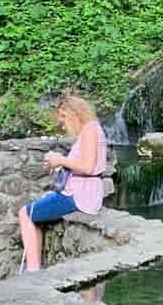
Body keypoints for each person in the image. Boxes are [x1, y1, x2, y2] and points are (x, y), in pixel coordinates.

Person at [18, 93, 108, 272]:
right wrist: (59, 163)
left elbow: (88, 167)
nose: (61, 122)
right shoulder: (91, 129)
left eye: (63, 116)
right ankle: (34, 265)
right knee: (36, 210)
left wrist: (60, 160)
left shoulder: (90, 130)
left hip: (80, 195)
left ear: (75, 113)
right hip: (82, 192)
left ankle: (33, 270)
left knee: (25, 213)